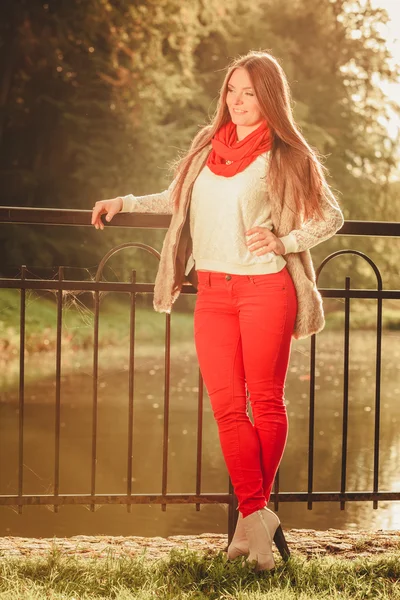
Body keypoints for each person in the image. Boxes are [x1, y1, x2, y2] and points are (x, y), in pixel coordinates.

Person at [91, 50, 344, 571]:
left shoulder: (286, 155)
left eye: (249, 92)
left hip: (265, 291)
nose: (238, 101)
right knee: (228, 409)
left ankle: (249, 522)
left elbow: (331, 216)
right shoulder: (208, 146)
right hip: (212, 293)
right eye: (232, 90)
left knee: (266, 403)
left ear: (269, 96)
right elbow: (177, 198)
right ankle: (258, 518)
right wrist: (126, 201)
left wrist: (285, 239)